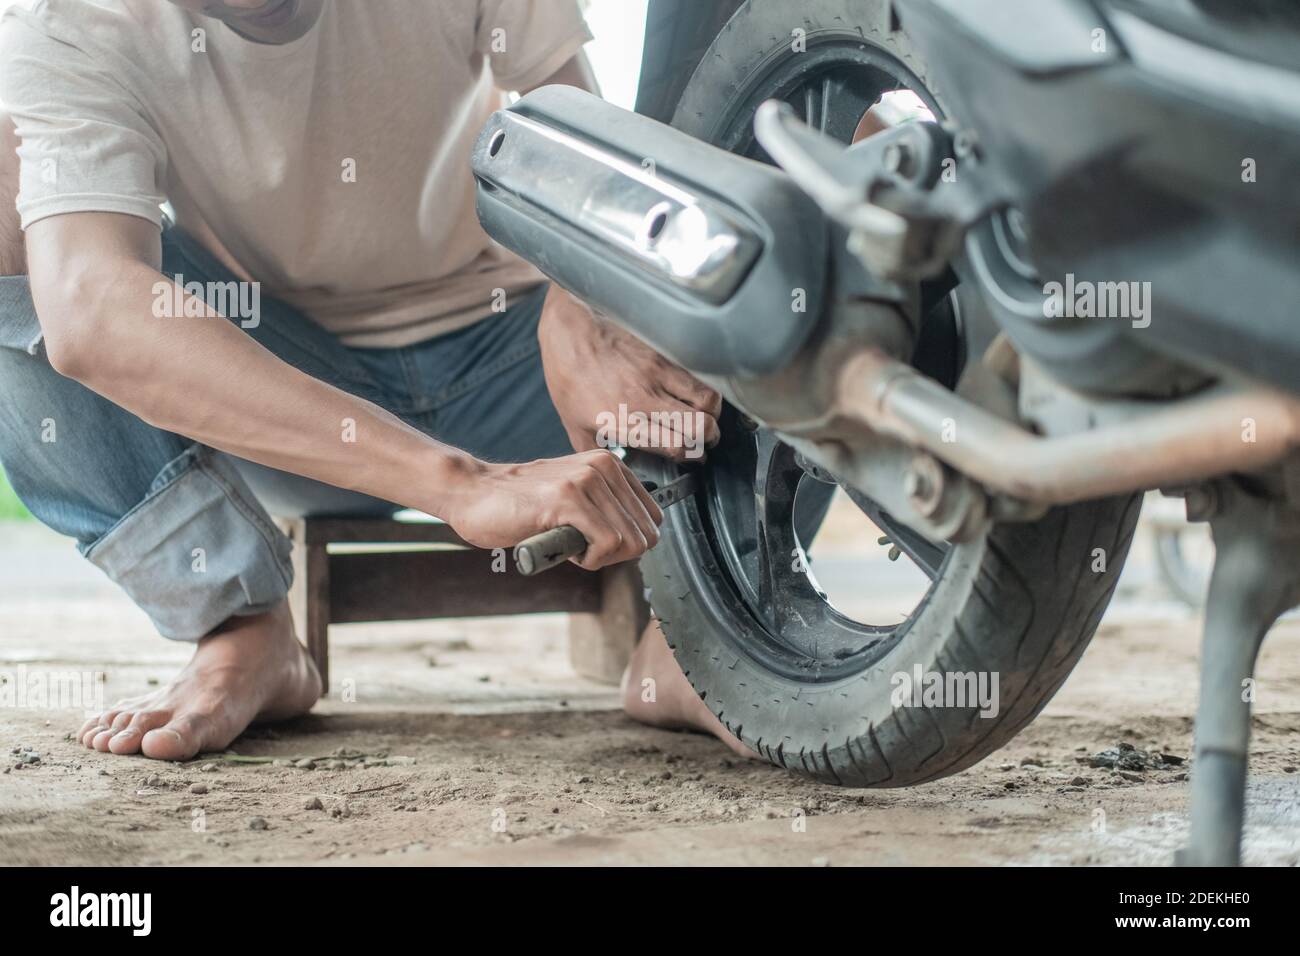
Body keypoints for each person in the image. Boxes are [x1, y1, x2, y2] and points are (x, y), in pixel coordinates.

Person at [0, 0, 748, 760]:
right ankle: (238, 630)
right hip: (283, 397)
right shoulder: (66, 20)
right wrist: (458, 484)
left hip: (532, 370)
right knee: (8, 208)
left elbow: (584, 133)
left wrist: (579, 293)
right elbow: (91, 306)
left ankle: (705, 636)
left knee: (793, 197)